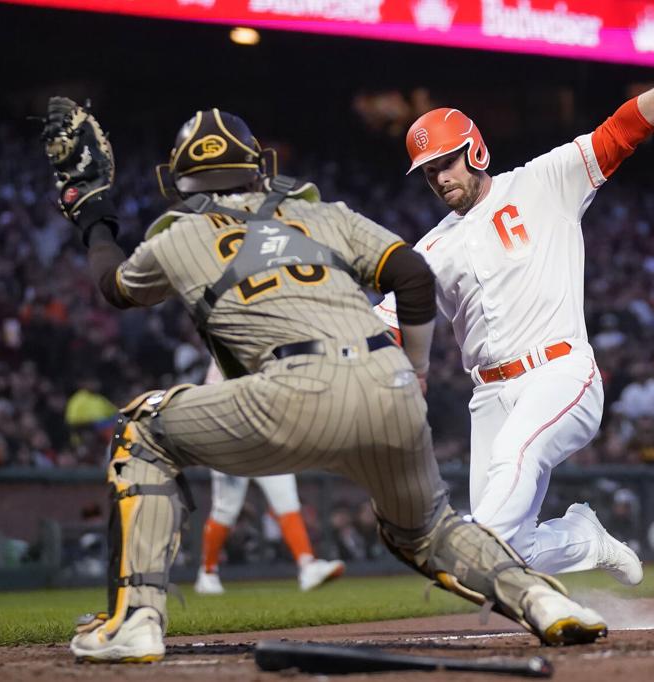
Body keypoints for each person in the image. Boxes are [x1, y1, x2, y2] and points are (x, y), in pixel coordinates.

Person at [43, 99, 609, 662]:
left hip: (289, 391)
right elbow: (412, 274)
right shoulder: (321, 212)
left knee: (142, 429)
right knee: (429, 529)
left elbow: (115, 286)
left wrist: (95, 218)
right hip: (384, 384)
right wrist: (412, 372)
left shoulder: (179, 235)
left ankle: (136, 619)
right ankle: (541, 599)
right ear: (259, 166)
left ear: (182, 181)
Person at [377, 14, 654, 581]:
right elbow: (390, 324)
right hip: (489, 397)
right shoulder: (429, 250)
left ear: (474, 152)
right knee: (507, 550)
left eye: (445, 162)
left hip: (560, 374)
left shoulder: (541, 183)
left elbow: (619, 134)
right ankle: (581, 539)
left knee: (497, 500)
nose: (439, 178)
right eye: (427, 172)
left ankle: (469, 544)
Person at [196, 363, 344, 595]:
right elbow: (213, 400)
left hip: (265, 441)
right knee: (226, 510)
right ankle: (207, 574)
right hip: (231, 443)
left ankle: (307, 566)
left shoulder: (266, 345)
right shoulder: (223, 349)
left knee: (287, 502)